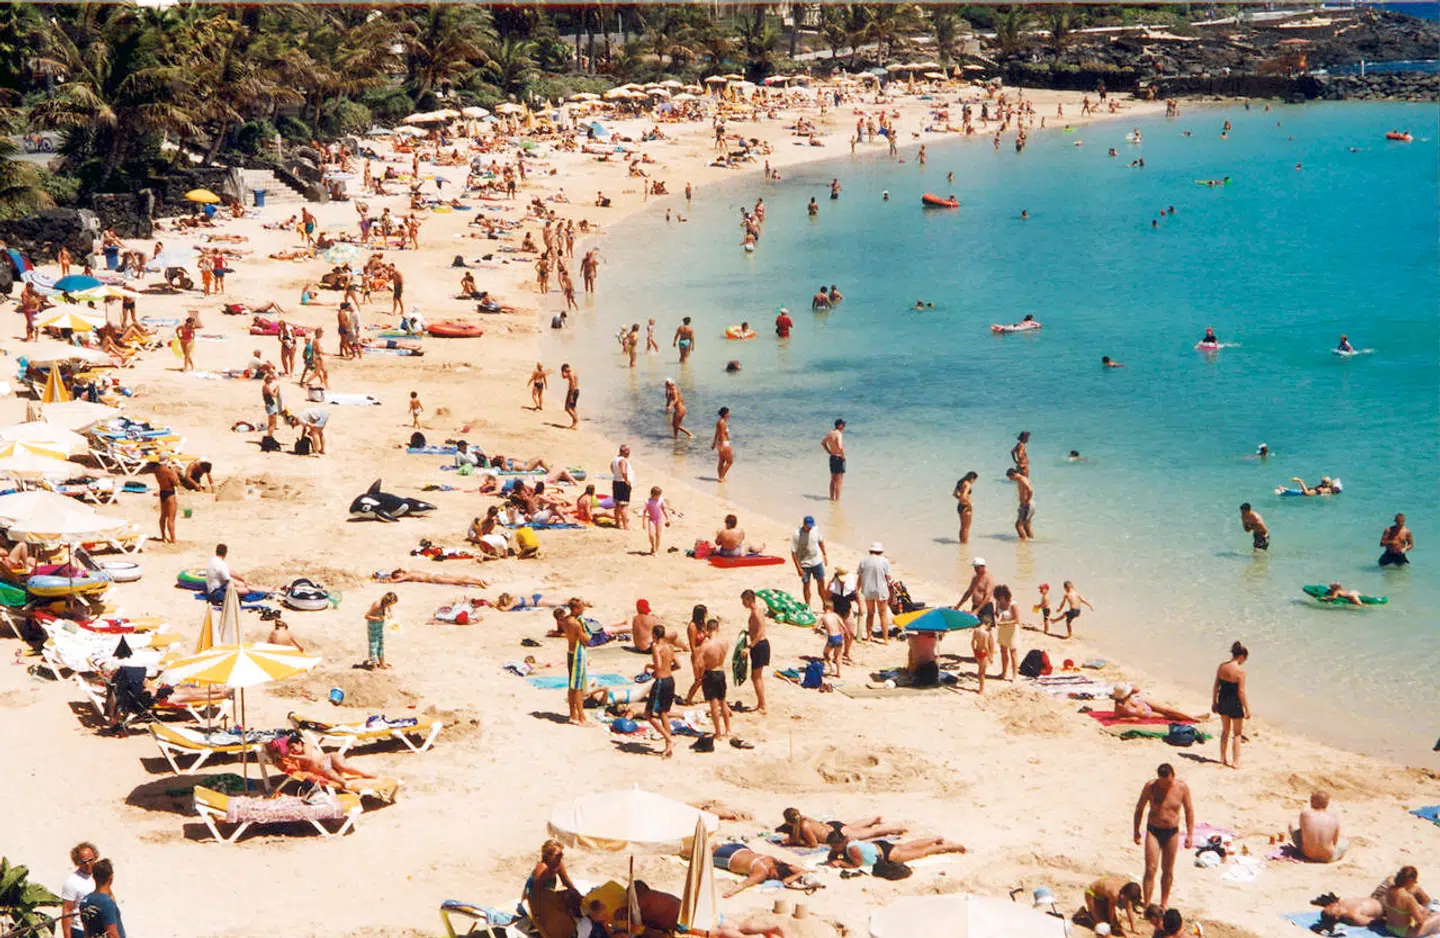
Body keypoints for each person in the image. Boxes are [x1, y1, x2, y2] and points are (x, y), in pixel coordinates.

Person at [1133, 763, 1194, 911]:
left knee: (1168, 869)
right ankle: (1147, 904)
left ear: (1172, 776)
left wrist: (1190, 834)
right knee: (1151, 868)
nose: (1165, 786)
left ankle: (1163, 903)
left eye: (1167, 783)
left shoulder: (1181, 788)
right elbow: (1139, 808)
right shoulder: (1151, 787)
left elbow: (1189, 810)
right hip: (1153, 830)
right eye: (1162, 782)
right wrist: (1136, 830)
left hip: (1171, 831)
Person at [825, 829, 967, 871]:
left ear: (840, 843)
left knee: (919, 854)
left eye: (834, 846)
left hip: (886, 854)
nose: (833, 849)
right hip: (880, 846)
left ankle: (945, 846)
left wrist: (841, 863)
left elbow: (857, 864)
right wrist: (834, 857)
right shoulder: (847, 841)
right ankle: (935, 838)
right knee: (908, 846)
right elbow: (831, 855)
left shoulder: (852, 849)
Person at [713, 844, 806, 898]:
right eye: (774, 876)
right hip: (726, 857)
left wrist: (800, 872)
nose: (771, 877)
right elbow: (744, 884)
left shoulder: (773, 860)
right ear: (776, 869)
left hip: (740, 847)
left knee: (714, 846)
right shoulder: (762, 873)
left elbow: (798, 870)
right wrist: (729, 893)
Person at [780, 809, 905, 848]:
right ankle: (874, 819)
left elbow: (813, 844)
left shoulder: (804, 826)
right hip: (833, 826)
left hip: (835, 835)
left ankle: (895, 828)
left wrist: (796, 842)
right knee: (852, 826)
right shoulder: (804, 819)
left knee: (870, 833)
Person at [1212, 641, 1250, 768]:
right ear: (1241, 656)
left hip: (1222, 699)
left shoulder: (1222, 667)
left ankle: (1222, 758)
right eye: (1245, 659)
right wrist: (1247, 709)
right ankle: (1235, 762)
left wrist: (1214, 701)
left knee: (1225, 731)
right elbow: (1241, 691)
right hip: (1235, 702)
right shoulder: (1240, 671)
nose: (1244, 661)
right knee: (1237, 734)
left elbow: (1216, 686)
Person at [644, 624, 678, 757]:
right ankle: (668, 747)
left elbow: (658, 665)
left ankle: (669, 739)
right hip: (670, 680)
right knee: (664, 713)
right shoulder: (670, 647)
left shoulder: (656, 647)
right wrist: (666, 670)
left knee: (648, 714)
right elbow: (678, 664)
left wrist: (649, 667)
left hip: (661, 682)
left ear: (654, 635)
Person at [522, 840, 579, 917]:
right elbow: (536, 892)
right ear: (548, 856)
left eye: (561, 854)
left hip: (546, 895)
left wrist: (577, 894)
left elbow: (566, 881)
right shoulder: (542, 868)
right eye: (557, 855)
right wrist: (537, 912)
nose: (561, 856)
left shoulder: (558, 865)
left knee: (571, 896)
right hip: (532, 898)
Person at [1291, 790, 1349, 863]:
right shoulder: (1333, 817)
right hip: (1327, 857)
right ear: (1327, 803)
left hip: (1307, 854)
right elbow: (1334, 842)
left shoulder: (1305, 814)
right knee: (1345, 842)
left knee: (1293, 827)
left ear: (1312, 802)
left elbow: (1303, 832)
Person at [697, 618, 731, 740]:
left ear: (707, 629)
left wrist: (700, 676)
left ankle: (718, 733)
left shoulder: (706, 645)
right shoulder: (725, 642)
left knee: (713, 705)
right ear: (717, 628)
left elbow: (698, 663)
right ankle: (728, 729)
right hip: (721, 672)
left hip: (710, 673)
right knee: (723, 702)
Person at [1383, 867, 1440, 938]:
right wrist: (1426, 911)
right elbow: (1420, 920)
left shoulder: (1390, 889)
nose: (1415, 883)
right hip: (1404, 933)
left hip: (1389, 927)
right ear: (1410, 880)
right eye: (1415, 881)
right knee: (1438, 917)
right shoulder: (1408, 897)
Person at [560, 601, 591, 725]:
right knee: (578, 687)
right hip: (577, 656)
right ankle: (581, 717)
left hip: (570, 652)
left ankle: (573, 713)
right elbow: (586, 640)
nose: (583, 609)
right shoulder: (576, 624)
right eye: (582, 607)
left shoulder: (566, 620)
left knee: (571, 685)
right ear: (576, 609)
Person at [1113, 683, 1207, 723]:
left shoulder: (1129, 695)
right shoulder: (1119, 705)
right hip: (1147, 713)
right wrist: (1129, 719)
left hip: (1145, 703)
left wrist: (1129, 687)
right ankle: (1194, 718)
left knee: (1169, 710)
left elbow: (1137, 690)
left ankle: (1194, 717)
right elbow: (1118, 717)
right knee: (1169, 716)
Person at [857, 542, 893, 644]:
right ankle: (885, 639)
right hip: (881, 590)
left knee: (870, 613)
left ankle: (868, 637)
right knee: (883, 614)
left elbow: (860, 577)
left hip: (868, 590)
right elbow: (888, 578)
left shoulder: (864, 560)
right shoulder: (885, 561)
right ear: (880, 551)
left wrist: (856, 589)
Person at [61, 842, 99, 938]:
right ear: (77, 862)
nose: (88, 864)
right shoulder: (72, 882)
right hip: (80, 930)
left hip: (97, 929)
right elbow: (67, 910)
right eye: (83, 861)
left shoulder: (100, 876)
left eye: (90, 860)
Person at [78, 859, 124, 938]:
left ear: (94, 877)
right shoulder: (107, 903)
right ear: (111, 877)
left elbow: (87, 932)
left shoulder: (85, 901)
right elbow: (112, 934)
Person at [790, 516, 828, 608]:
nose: (810, 528)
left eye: (811, 526)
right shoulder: (797, 535)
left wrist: (824, 554)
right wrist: (798, 568)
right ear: (804, 524)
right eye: (808, 526)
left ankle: (824, 603)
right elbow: (793, 552)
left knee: (821, 583)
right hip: (804, 562)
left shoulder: (816, 529)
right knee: (806, 585)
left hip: (816, 560)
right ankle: (808, 606)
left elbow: (820, 541)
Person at [742, 588, 769, 715]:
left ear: (750, 599)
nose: (743, 603)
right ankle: (761, 704)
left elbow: (761, 631)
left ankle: (762, 705)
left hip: (759, 646)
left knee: (756, 677)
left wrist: (749, 646)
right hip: (759, 645)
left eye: (744, 601)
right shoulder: (755, 611)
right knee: (756, 677)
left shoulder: (757, 612)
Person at [955, 557, 995, 625]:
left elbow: (987, 596)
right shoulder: (975, 577)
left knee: (986, 631)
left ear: (983, 566)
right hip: (975, 606)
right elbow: (969, 592)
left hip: (986, 608)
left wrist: (977, 610)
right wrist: (958, 606)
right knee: (975, 628)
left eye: (977, 567)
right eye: (975, 567)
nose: (975, 569)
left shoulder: (989, 578)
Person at [993, 585, 1020, 681]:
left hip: (1011, 630)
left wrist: (1003, 623)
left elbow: (1017, 620)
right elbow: (996, 613)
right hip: (1002, 630)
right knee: (1003, 651)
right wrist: (996, 619)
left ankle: (1014, 675)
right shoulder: (998, 603)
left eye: (1000, 597)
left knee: (1013, 653)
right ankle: (1004, 673)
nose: (999, 599)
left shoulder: (1013, 604)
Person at [364, 592, 397, 670]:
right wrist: (379, 618)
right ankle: (374, 665)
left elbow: (388, 609)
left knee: (380, 644)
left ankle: (382, 663)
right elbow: (366, 616)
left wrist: (389, 613)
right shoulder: (377, 605)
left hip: (379, 625)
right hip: (373, 626)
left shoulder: (384, 603)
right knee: (374, 645)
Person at [153, 460, 181, 543]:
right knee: (171, 518)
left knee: (163, 516)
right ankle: (173, 539)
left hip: (162, 492)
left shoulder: (156, 469)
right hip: (170, 493)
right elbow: (176, 483)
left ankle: (163, 536)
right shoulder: (168, 471)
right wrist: (174, 471)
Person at [1006, 467, 1034, 540]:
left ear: (1013, 475)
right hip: (1028, 504)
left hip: (1027, 505)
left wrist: (1027, 501)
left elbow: (1030, 490)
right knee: (1026, 525)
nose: (1010, 479)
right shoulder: (1021, 479)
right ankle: (1031, 541)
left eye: (1010, 477)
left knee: (1018, 525)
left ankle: (1024, 543)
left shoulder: (1022, 480)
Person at [821, 419, 846, 500]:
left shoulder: (830, 433)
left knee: (832, 479)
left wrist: (829, 452)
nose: (844, 427)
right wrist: (843, 456)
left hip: (832, 457)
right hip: (838, 457)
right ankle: (837, 500)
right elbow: (840, 446)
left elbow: (823, 443)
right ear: (840, 425)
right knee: (839, 481)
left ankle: (831, 498)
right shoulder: (839, 434)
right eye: (843, 425)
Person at [642, 486, 670, 555]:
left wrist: (667, 518)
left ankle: (656, 550)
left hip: (659, 519)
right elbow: (644, 512)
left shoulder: (661, 500)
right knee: (651, 534)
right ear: (653, 494)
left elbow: (663, 509)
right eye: (658, 495)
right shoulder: (648, 501)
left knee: (658, 535)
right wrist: (643, 522)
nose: (659, 496)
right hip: (651, 519)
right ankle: (653, 546)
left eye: (660, 495)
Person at [611, 445, 633, 530]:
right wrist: (626, 480)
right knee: (624, 505)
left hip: (616, 481)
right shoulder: (622, 461)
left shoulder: (615, 459)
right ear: (625, 452)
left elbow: (611, 468)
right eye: (628, 452)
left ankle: (617, 523)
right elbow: (624, 471)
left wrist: (616, 474)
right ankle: (625, 526)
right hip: (622, 483)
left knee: (617, 504)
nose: (629, 454)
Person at [953, 471, 977, 544]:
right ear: (972, 478)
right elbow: (963, 496)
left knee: (962, 527)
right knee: (966, 528)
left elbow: (954, 494)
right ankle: (964, 544)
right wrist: (970, 504)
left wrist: (960, 499)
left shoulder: (960, 483)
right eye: (974, 480)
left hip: (960, 506)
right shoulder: (967, 484)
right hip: (966, 507)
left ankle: (961, 544)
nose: (974, 482)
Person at [711, 407, 734, 481]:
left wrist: (714, 443)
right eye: (728, 413)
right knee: (730, 461)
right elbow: (720, 434)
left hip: (721, 443)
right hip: (724, 443)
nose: (729, 414)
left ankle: (720, 476)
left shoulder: (720, 421)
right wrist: (724, 445)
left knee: (722, 461)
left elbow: (716, 433)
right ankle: (721, 477)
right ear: (725, 414)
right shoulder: (722, 422)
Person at [560, 363, 579, 429]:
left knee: (567, 408)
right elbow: (564, 377)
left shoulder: (570, 374)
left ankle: (576, 420)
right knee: (573, 408)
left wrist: (571, 396)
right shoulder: (573, 372)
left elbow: (573, 384)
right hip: (576, 390)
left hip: (572, 391)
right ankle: (574, 423)